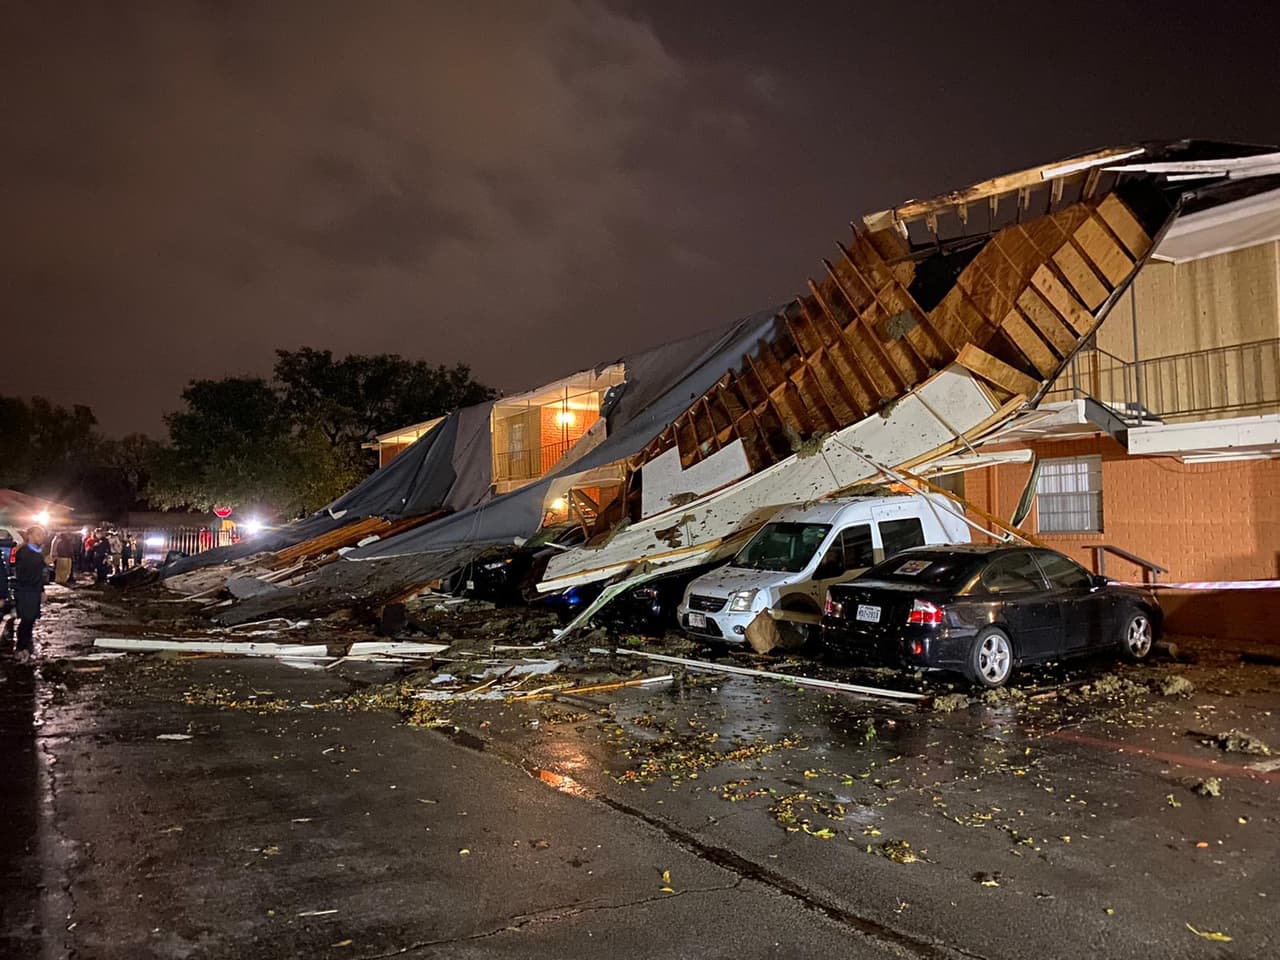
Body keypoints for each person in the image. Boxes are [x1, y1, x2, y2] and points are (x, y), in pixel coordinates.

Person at [13, 525, 49, 663]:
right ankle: (20, 649)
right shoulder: (24, 552)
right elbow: (25, 573)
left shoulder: (35, 552)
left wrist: (41, 591)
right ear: (30, 535)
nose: (41, 537)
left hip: (33, 591)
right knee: (27, 620)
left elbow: (38, 574)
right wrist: (42, 563)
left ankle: (26, 647)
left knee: (31, 619)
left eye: (42, 534)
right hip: (25, 591)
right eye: (38, 534)